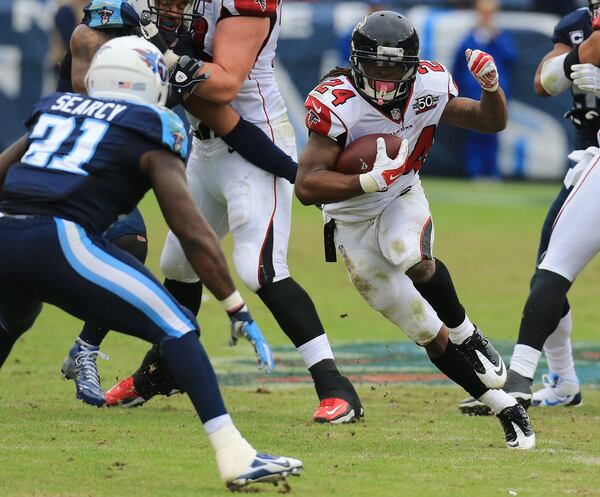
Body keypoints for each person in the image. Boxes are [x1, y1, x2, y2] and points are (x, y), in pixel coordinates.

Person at [0, 36, 302, 490]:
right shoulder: (152, 123)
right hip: (58, 237)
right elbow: (190, 228)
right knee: (178, 326)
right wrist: (234, 304)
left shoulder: (57, 106)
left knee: (13, 318)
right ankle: (236, 455)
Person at [104, 0, 364, 425]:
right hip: (205, 146)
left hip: (254, 143)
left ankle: (335, 385)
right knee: (178, 264)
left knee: (259, 268)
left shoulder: (241, 4)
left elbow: (223, 90)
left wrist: (167, 56)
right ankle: (163, 369)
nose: (168, 7)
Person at [294, 11, 535, 449]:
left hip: (400, 196)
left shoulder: (429, 85)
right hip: (349, 220)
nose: (384, 76)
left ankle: (468, 334)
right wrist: (365, 181)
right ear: (355, 60)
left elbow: (489, 121)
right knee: (422, 327)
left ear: (412, 65)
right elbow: (306, 186)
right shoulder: (336, 101)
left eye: (394, 66)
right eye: (375, 64)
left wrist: (492, 88)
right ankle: (504, 407)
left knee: (412, 255)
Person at [58, 0, 298, 407]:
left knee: (130, 243)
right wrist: (235, 308)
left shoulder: (176, 70)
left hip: (94, 165)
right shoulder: (109, 43)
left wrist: (294, 173)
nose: (173, 8)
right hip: (74, 158)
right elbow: (77, 70)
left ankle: (86, 346)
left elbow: (231, 126)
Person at [459, 2, 598, 416]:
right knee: (550, 266)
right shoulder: (577, 25)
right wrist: (576, 60)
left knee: (554, 268)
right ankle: (560, 379)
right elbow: (543, 82)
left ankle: (521, 378)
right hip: (588, 160)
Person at [451, 0, 517, 179]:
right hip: (473, 93)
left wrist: (494, 39)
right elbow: (458, 65)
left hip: (496, 92)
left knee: (494, 133)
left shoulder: (501, 37)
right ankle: (475, 171)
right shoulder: (469, 38)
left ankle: (491, 171)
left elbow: (511, 58)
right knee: (474, 134)